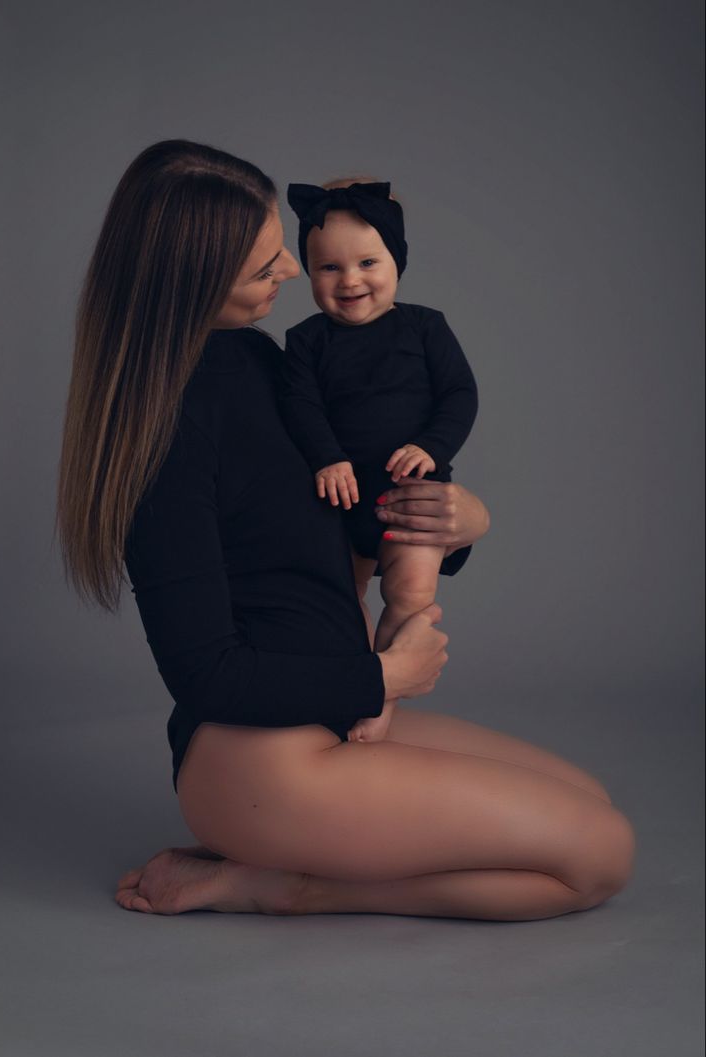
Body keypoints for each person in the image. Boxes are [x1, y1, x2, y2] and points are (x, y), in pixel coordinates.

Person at [57, 139, 634, 921]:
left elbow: (335, 531)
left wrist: (460, 524)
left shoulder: (265, 366)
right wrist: (386, 678)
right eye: (266, 267)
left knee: (589, 800)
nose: (293, 274)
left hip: (331, 713)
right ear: (191, 280)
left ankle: (285, 865)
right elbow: (207, 674)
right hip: (260, 763)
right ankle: (279, 884)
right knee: (599, 856)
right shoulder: (162, 436)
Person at [281, 178, 478, 741]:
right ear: (310, 271)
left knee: (412, 595)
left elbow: (460, 394)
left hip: (411, 495)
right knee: (339, 600)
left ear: (398, 261)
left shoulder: (425, 327)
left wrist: (433, 448)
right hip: (338, 497)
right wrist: (326, 458)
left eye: (368, 262)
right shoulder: (306, 340)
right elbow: (300, 405)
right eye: (328, 268)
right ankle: (355, 682)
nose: (351, 281)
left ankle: (384, 696)